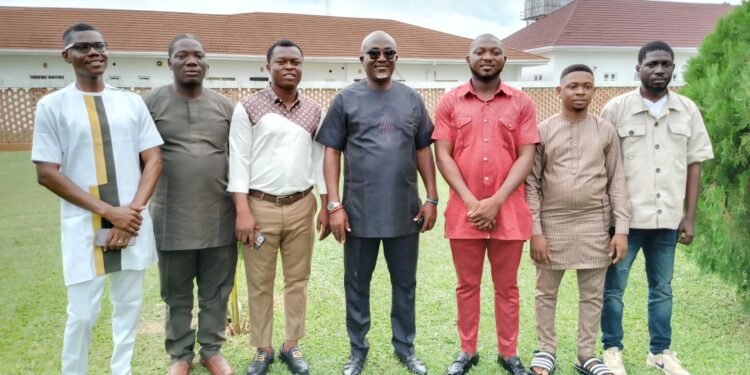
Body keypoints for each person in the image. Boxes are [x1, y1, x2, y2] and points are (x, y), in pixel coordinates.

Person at [31, 23, 163, 375]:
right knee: (83, 314)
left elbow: (154, 159)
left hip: (132, 223)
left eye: (100, 45)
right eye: (83, 47)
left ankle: (122, 370)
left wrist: (130, 213)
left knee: (129, 307)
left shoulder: (130, 102)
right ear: (66, 55)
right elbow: (46, 172)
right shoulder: (52, 106)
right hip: (83, 226)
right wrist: (109, 212)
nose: (93, 52)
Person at [316, 30, 438, 375]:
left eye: (388, 53)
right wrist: (334, 206)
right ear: (362, 59)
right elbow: (331, 152)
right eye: (373, 53)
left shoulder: (412, 99)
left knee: (405, 285)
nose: (381, 58)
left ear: (397, 58)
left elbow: (423, 150)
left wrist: (431, 197)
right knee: (356, 285)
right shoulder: (345, 99)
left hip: (405, 212)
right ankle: (358, 351)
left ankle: (405, 348)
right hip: (359, 214)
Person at [600, 41, 714, 375]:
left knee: (662, 289)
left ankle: (660, 352)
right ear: (638, 69)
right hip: (625, 222)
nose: (659, 70)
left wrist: (689, 217)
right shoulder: (616, 110)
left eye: (666, 64)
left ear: (673, 68)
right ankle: (612, 349)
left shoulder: (687, 111)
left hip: (667, 220)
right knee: (614, 288)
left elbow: (695, 165)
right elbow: (603, 167)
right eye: (652, 64)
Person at [433, 33, 538, 375]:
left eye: (495, 52)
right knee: (467, 285)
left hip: (509, 212)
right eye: (480, 51)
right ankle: (467, 350)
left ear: (505, 60)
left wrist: (496, 201)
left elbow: (526, 155)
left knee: (507, 287)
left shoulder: (522, 102)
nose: (488, 57)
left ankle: (509, 353)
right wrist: (471, 201)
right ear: (468, 59)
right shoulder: (450, 102)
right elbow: (443, 154)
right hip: (465, 214)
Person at [227, 39, 329, 375]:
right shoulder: (249, 108)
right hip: (259, 208)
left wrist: (327, 205)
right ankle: (262, 348)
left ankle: (291, 345)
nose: (289, 67)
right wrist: (242, 210)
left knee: (297, 279)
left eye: (295, 62)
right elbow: (238, 161)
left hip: (302, 205)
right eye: (281, 61)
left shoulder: (314, 110)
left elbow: (319, 162)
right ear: (267, 66)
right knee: (260, 282)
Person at [525, 64, 630, 375]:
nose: (580, 91)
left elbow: (617, 181)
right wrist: (535, 231)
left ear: (594, 90)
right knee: (546, 293)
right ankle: (546, 350)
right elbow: (531, 183)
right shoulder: (543, 131)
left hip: (594, 225)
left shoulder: (605, 130)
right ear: (559, 91)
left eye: (587, 86)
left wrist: (621, 229)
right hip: (552, 224)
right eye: (573, 86)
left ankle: (586, 354)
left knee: (593, 294)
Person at [142, 33, 237, 375]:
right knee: (176, 293)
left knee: (217, 290)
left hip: (219, 216)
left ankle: (212, 350)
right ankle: (180, 355)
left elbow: (241, 159)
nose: (191, 61)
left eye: (198, 55)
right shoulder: (150, 104)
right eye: (182, 56)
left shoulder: (226, 108)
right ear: (169, 63)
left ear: (206, 62)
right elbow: (136, 159)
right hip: (172, 217)